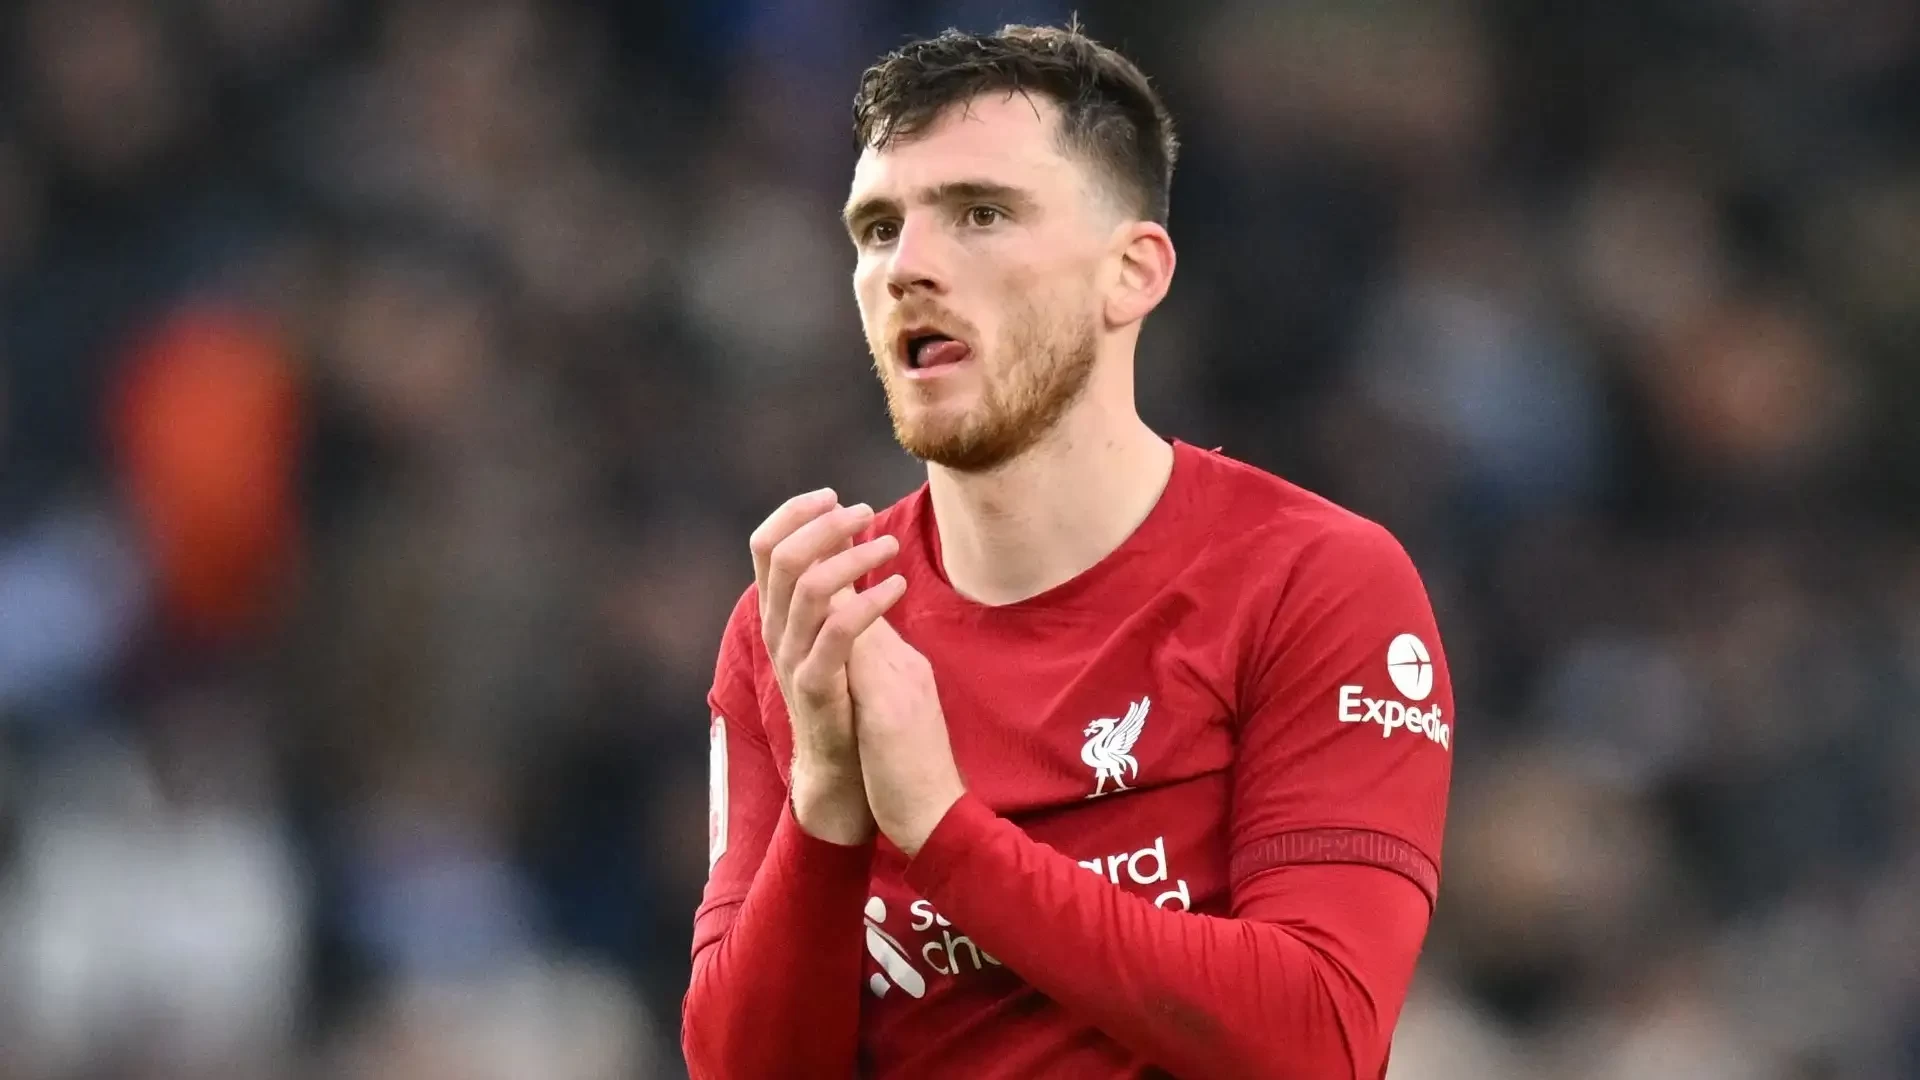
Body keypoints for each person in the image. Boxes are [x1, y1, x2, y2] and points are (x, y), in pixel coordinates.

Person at [683, 23, 1453, 1080]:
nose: (908, 267)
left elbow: (1320, 1040)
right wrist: (825, 805)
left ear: (1131, 273)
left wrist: (944, 833)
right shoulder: (817, 619)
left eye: (982, 214)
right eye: (879, 228)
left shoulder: (1310, 584)